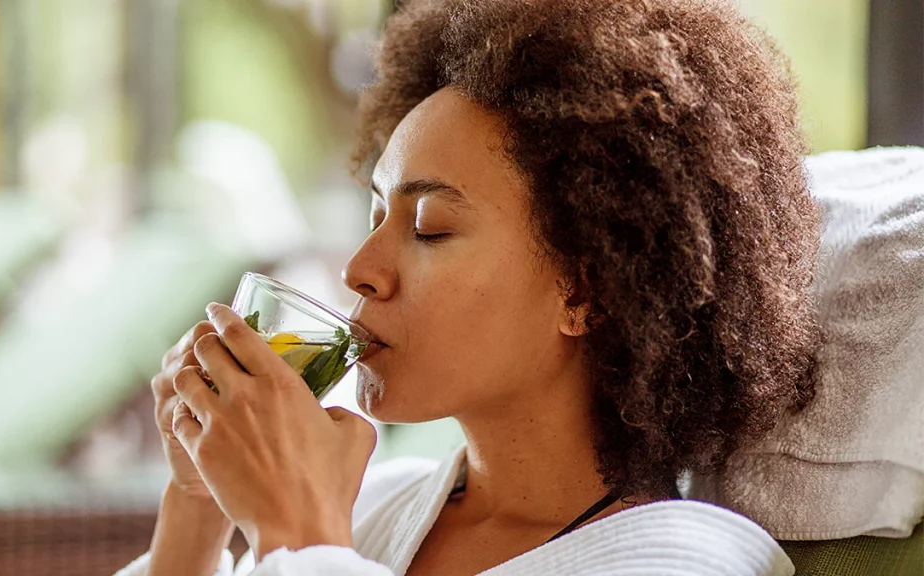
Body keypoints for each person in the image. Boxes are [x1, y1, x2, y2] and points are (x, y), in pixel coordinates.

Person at [116, 0, 821, 574]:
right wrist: (196, 507)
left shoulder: (687, 561)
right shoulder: (372, 508)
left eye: (427, 227)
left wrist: (300, 538)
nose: (359, 266)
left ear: (588, 288)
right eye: (373, 215)